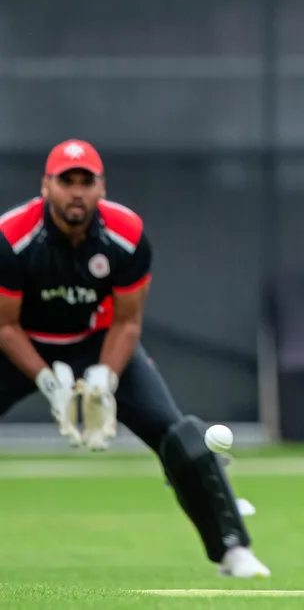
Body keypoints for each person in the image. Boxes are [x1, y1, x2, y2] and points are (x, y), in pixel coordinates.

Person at [0, 139, 270, 578]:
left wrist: (105, 379)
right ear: (46, 186)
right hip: (22, 344)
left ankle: (232, 549)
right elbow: (5, 327)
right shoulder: (13, 237)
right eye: (66, 181)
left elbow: (127, 323)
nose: (76, 192)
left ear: (101, 188)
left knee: (181, 437)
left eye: (86, 181)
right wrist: (51, 385)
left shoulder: (125, 235)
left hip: (97, 340)